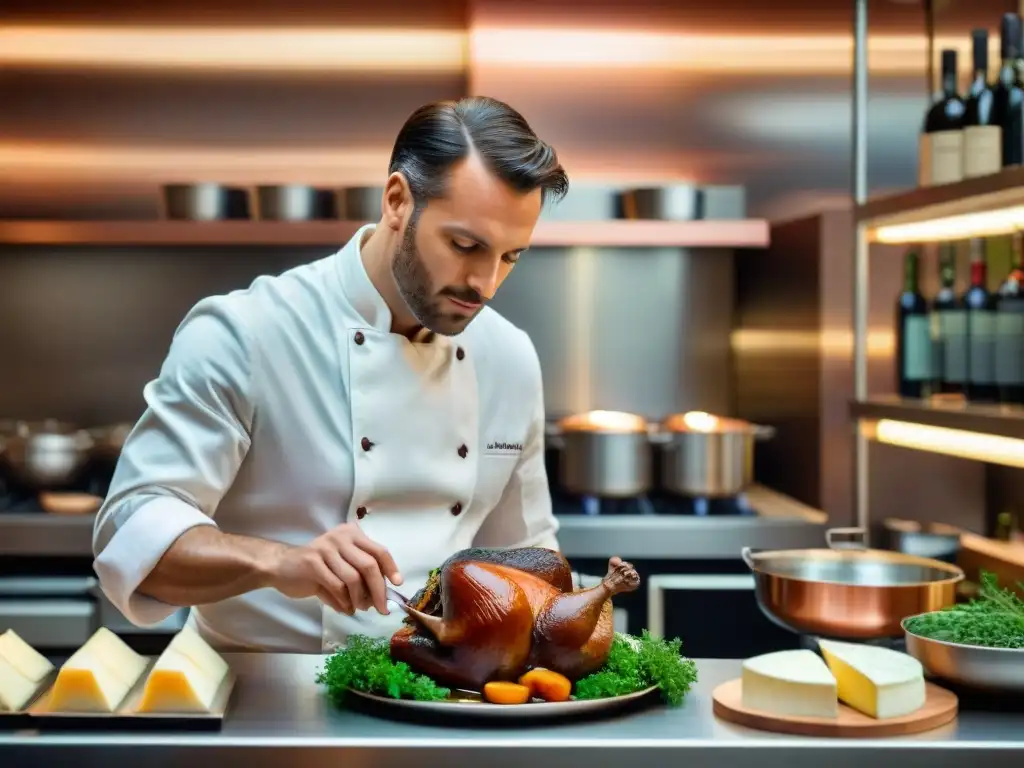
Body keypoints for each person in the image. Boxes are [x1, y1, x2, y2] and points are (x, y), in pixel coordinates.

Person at [92, 96, 570, 652]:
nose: (485, 284)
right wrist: (278, 561)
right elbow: (132, 535)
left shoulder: (508, 356)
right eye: (466, 245)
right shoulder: (248, 331)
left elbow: (527, 557)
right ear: (397, 201)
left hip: (444, 699)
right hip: (268, 700)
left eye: (512, 256)